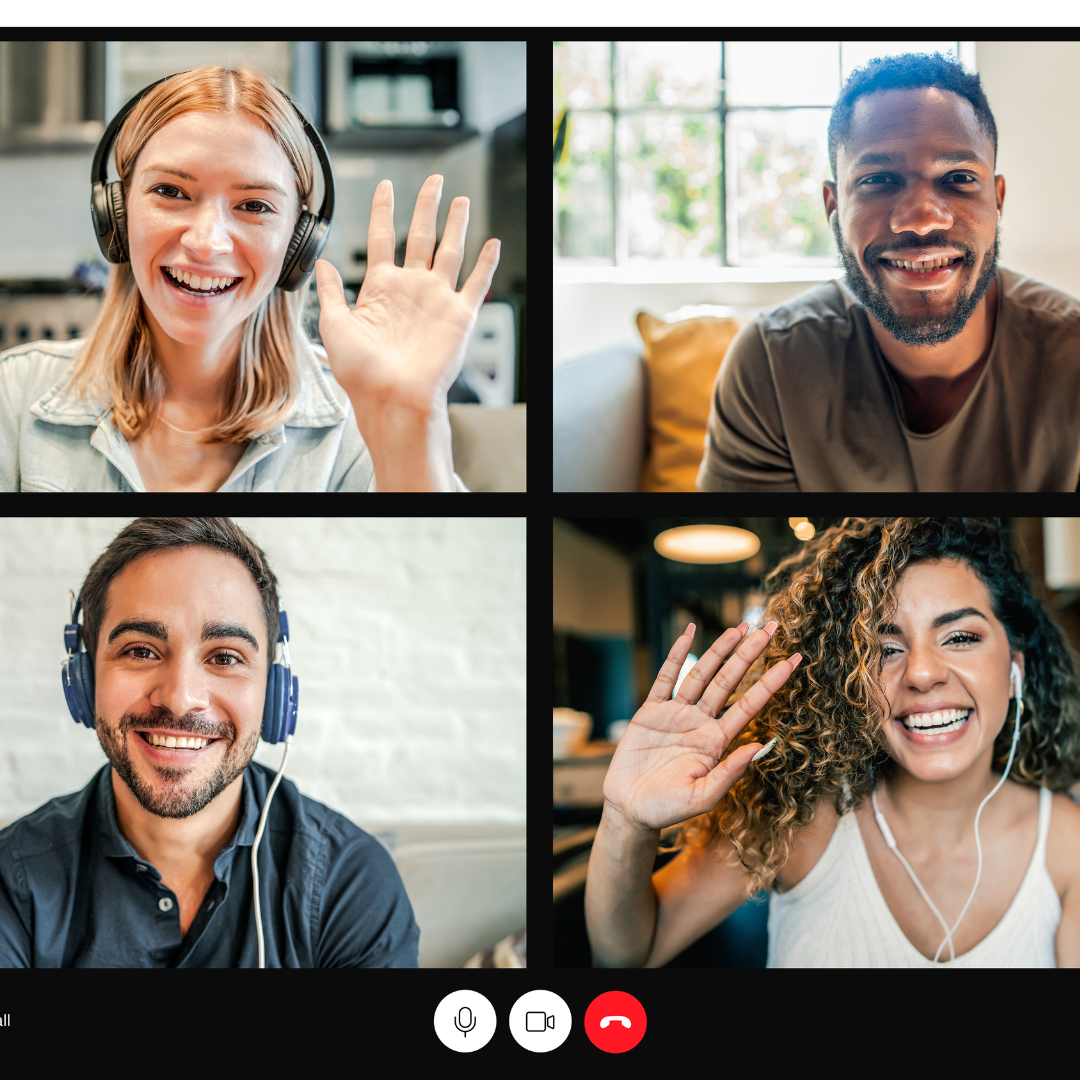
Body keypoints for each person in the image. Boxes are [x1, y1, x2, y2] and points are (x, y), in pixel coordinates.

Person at [586, 518, 1080, 967]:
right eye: (883, 649)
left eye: (960, 637)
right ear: (849, 680)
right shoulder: (800, 818)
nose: (923, 673)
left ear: (1015, 667)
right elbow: (631, 953)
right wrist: (626, 820)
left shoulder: (1067, 843)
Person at [0, 66, 500, 491]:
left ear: (299, 240)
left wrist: (410, 420)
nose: (206, 242)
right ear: (117, 213)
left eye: (255, 205)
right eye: (171, 191)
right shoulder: (14, 397)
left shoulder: (356, 415)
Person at [0, 517, 419, 967]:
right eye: (140, 651)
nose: (180, 700)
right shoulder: (14, 877)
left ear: (275, 693)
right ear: (84, 684)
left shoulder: (350, 881)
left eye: (224, 657)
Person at [696, 54, 1080, 492]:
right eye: (878, 180)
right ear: (833, 208)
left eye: (958, 177)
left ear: (997, 201)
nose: (921, 219)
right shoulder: (770, 366)